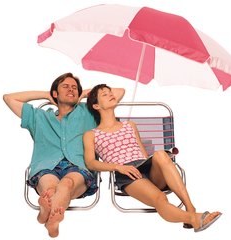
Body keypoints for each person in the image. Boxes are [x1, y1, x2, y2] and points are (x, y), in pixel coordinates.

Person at [83, 84, 222, 233]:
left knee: (160, 154)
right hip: (126, 172)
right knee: (160, 199)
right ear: (96, 105)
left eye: (110, 92)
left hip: (146, 166)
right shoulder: (91, 134)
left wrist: (100, 92)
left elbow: (143, 154)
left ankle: (190, 207)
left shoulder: (129, 125)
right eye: (104, 94)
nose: (111, 94)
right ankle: (193, 219)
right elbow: (91, 163)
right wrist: (118, 167)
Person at [3, 73, 125, 237]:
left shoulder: (88, 112)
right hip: (46, 166)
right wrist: (45, 94)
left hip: (78, 167)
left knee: (66, 183)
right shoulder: (40, 117)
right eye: (65, 87)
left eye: (74, 87)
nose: (71, 89)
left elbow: (119, 92)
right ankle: (50, 219)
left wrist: (81, 95)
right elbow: (9, 98)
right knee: (50, 190)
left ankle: (44, 216)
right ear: (55, 94)